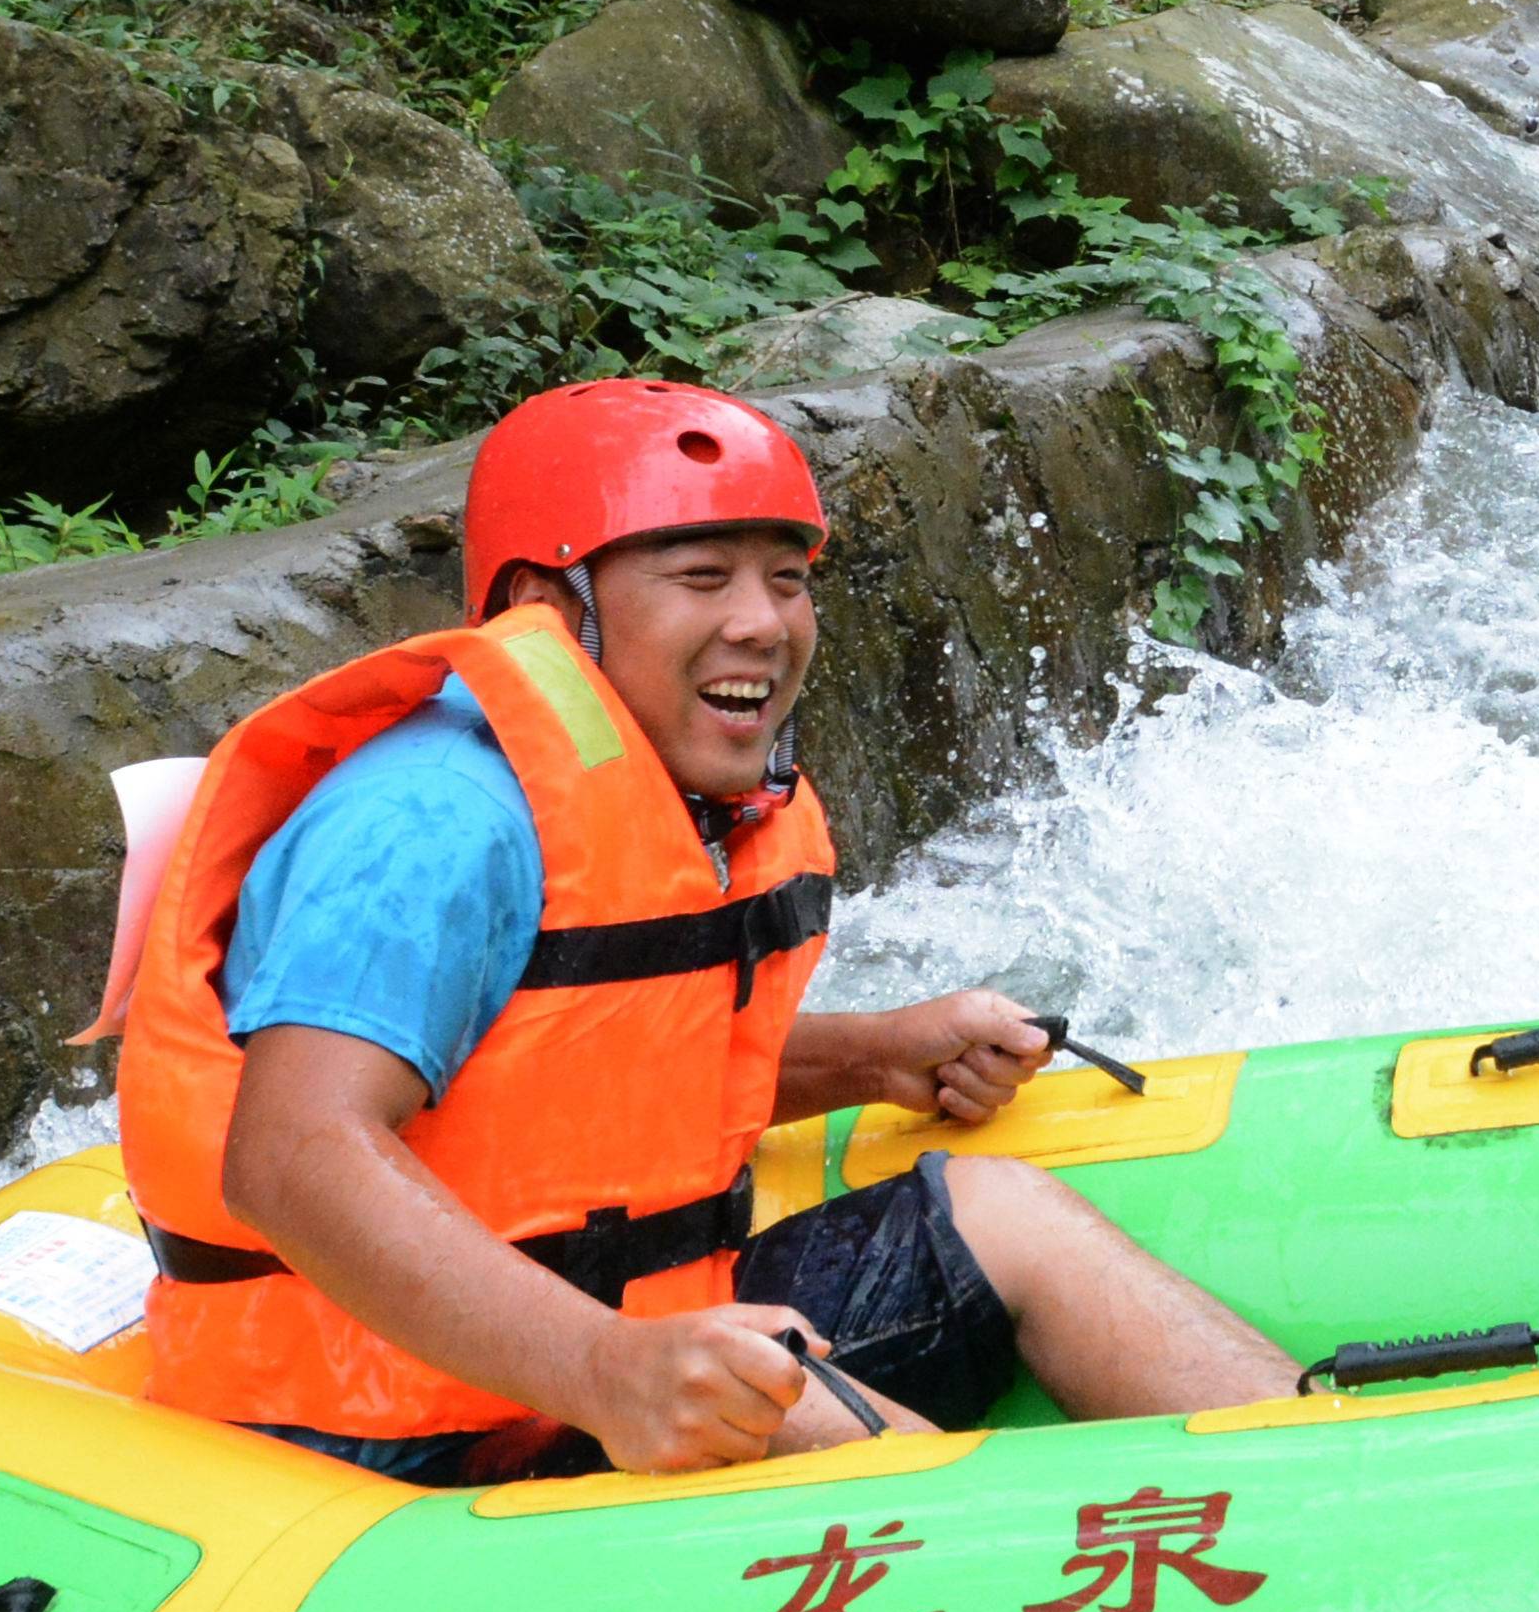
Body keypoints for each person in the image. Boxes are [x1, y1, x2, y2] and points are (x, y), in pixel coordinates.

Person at [122, 380, 1295, 1480]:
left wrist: (878, 1053)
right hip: (402, 1437)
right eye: (700, 575)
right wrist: (609, 1369)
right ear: (547, 612)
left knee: (997, 1210)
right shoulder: (432, 819)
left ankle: (1332, 1478)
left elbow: (579, 1068)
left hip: (596, 1347)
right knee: (788, 1392)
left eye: (787, 578)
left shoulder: (672, 792)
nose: (763, 623)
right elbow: (292, 1156)